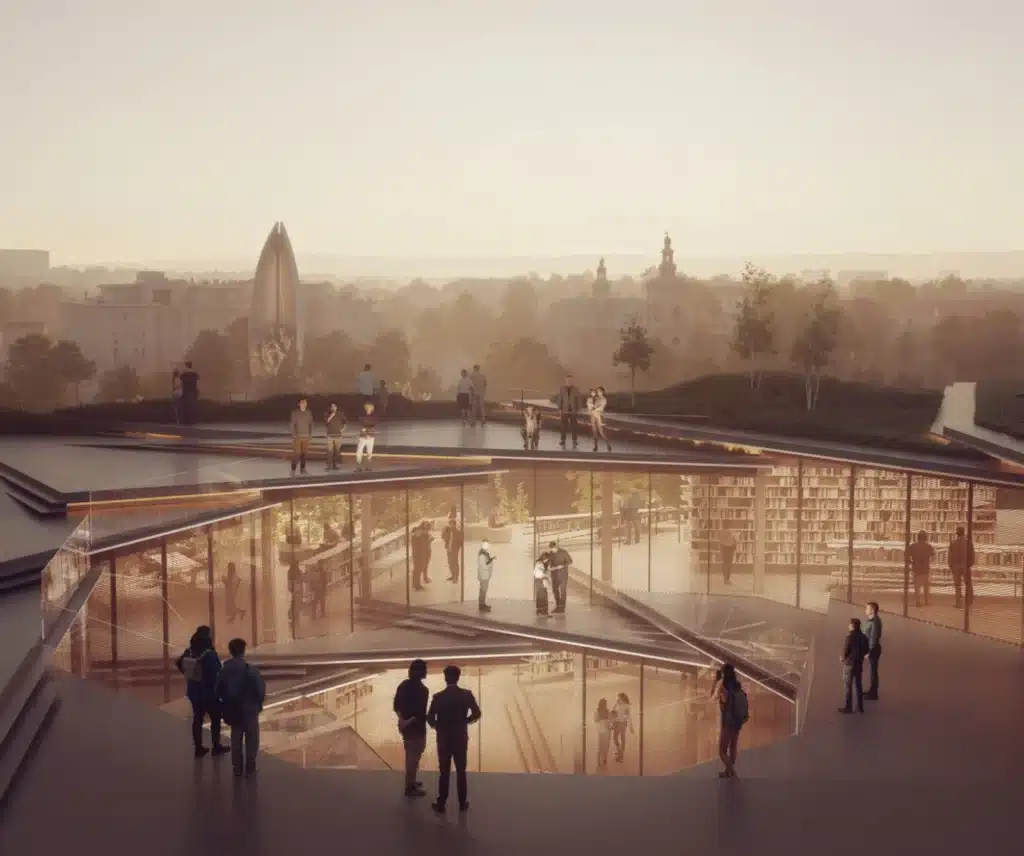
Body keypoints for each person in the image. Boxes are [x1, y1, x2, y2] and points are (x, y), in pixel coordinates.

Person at [426, 665, 481, 813]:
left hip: (444, 739)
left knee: (444, 771)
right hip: (460, 738)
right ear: (458, 677)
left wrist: (438, 727)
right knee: (461, 771)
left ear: (445, 678)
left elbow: (430, 718)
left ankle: (441, 803)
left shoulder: (438, 697)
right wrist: (465, 722)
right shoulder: (467, 695)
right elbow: (477, 713)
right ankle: (462, 803)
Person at [175, 625, 229, 758]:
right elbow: (216, 673)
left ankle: (198, 747)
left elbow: (178, 663)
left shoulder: (189, 651)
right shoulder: (209, 654)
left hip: (194, 691)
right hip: (210, 692)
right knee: (215, 719)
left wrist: (189, 674)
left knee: (197, 719)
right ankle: (216, 746)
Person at [215, 637, 265, 778]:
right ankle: (250, 766)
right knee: (252, 738)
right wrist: (257, 703)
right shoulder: (251, 670)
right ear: (243, 651)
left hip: (233, 709)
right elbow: (260, 690)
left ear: (230, 651)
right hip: (250, 710)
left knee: (236, 738)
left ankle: (237, 767)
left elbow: (218, 690)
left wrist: (226, 701)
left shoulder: (223, 671)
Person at [393, 659, 429, 797]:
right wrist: (408, 722)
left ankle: (412, 781)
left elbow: (396, 705)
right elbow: (420, 713)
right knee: (413, 758)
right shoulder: (423, 690)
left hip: (404, 727)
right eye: (425, 669)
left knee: (410, 755)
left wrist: (402, 720)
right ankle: (410, 787)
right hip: (416, 728)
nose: (426, 672)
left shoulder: (403, 685)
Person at [711, 663, 748, 778]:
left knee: (722, 751)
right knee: (732, 748)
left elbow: (712, 697)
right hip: (737, 722)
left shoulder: (722, 686)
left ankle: (731, 772)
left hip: (728, 722)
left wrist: (716, 680)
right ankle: (728, 771)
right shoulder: (737, 685)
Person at [839, 617, 870, 714]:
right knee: (858, 685)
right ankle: (860, 707)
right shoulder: (864, 637)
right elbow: (866, 650)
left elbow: (846, 650)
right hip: (859, 664)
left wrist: (842, 658)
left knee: (848, 686)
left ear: (852, 626)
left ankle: (848, 707)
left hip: (849, 664)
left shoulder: (849, 637)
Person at [948, 525, 975, 608]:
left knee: (957, 585)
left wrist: (951, 565)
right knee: (968, 583)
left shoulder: (953, 543)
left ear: (957, 533)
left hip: (956, 566)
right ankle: (969, 601)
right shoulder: (968, 542)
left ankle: (958, 602)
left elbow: (950, 556)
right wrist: (970, 564)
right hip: (965, 565)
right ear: (964, 533)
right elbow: (972, 554)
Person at [906, 529, 934, 607]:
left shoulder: (913, 546)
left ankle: (918, 601)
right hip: (925, 569)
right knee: (926, 586)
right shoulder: (928, 546)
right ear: (925, 537)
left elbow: (907, 556)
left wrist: (911, 562)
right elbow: (932, 555)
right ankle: (926, 601)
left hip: (916, 569)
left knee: (917, 587)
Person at [556, 373, 582, 449]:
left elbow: (579, 400)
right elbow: (559, 399)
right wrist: (559, 409)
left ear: (572, 381)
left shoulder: (576, 389)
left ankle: (574, 440)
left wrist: (578, 409)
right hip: (564, 410)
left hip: (573, 411)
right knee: (563, 426)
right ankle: (563, 440)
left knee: (574, 426)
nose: (569, 381)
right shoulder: (562, 389)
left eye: (570, 380)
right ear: (565, 381)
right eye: (568, 380)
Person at [863, 601, 883, 701]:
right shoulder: (872, 620)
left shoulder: (875, 622)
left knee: (873, 672)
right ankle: (872, 691)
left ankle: (874, 694)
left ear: (872, 610)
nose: (865, 610)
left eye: (867, 608)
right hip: (872, 649)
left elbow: (873, 638)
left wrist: (869, 651)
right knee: (872, 671)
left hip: (873, 650)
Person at [546, 540, 572, 614]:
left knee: (563, 591)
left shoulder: (564, 552)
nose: (552, 550)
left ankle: (562, 608)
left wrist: (562, 566)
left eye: (553, 549)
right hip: (554, 575)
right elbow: (549, 563)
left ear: (556, 547)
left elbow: (570, 561)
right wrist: (547, 566)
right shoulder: (551, 553)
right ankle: (558, 607)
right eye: (551, 549)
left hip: (563, 575)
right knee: (555, 590)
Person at [289, 397, 313, 476]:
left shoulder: (309, 413)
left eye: (305, 403)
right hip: (298, 437)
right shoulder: (295, 413)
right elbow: (292, 425)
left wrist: (310, 435)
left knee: (304, 454)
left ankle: (303, 469)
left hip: (306, 437)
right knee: (296, 454)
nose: (304, 404)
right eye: (302, 403)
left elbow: (311, 424)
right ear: (299, 404)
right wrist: (294, 435)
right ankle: (293, 470)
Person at [587, 386, 612, 452]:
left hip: (599, 416)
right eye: (597, 391)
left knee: (601, 432)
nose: (597, 392)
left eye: (599, 391)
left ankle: (608, 444)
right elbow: (590, 404)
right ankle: (595, 446)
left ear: (602, 392)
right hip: (593, 416)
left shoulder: (604, 399)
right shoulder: (595, 398)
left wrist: (595, 408)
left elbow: (601, 408)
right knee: (594, 432)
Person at [612, 692, 634, 762]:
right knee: (615, 738)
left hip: (622, 723)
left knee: (622, 738)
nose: (617, 699)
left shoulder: (626, 706)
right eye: (617, 697)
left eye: (619, 697)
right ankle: (619, 750)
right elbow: (613, 712)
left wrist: (631, 726)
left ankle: (621, 755)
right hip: (617, 722)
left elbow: (628, 716)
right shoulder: (618, 704)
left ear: (622, 698)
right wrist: (615, 704)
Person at [411, 521, 432, 590]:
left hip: (422, 555)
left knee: (418, 570)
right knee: (417, 570)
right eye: (418, 531)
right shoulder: (415, 538)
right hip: (418, 556)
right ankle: (416, 585)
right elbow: (417, 548)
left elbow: (426, 543)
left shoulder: (421, 537)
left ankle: (416, 584)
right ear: (415, 532)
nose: (420, 532)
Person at [442, 513, 463, 583]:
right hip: (448, 549)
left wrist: (457, 548)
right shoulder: (447, 531)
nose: (451, 525)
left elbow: (460, 541)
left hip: (454, 550)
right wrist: (444, 531)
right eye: (450, 524)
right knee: (450, 563)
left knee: (455, 563)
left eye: (452, 524)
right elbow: (443, 537)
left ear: (455, 524)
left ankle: (456, 577)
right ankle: (452, 575)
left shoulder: (458, 532)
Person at [325, 403, 346, 470]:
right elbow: (326, 423)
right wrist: (331, 416)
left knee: (337, 451)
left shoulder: (340, 414)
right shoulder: (327, 414)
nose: (333, 408)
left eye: (334, 407)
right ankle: (329, 466)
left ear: (336, 407)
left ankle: (335, 465)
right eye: (332, 407)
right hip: (330, 436)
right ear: (330, 408)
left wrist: (343, 429)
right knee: (329, 451)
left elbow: (345, 423)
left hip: (338, 436)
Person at [356, 401, 376, 470]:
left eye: (370, 407)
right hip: (363, 438)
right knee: (359, 452)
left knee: (369, 452)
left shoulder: (374, 417)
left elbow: (372, 426)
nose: (369, 408)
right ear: (365, 408)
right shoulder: (362, 417)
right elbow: (362, 427)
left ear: (372, 408)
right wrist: (365, 433)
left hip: (371, 437)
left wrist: (369, 432)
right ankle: (359, 466)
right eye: (367, 407)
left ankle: (368, 466)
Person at [477, 540, 496, 612]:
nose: (487, 546)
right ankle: (481, 605)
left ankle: (482, 604)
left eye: (487, 545)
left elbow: (486, 563)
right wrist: (491, 561)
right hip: (483, 575)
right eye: (486, 545)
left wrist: (491, 559)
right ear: (483, 545)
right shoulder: (482, 555)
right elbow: (484, 566)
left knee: (483, 590)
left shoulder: (484, 554)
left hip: (485, 575)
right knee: (483, 590)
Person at [179, 361, 200, 425]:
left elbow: (181, 384)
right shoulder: (195, 374)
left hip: (186, 392)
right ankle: (193, 420)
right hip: (193, 392)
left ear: (186, 366)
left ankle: (186, 421)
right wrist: (197, 391)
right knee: (193, 407)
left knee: (186, 407)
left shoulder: (183, 375)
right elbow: (198, 384)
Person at [594, 698, 613, 767]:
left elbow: (595, 720)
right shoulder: (607, 711)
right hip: (605, 730)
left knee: (601, 745)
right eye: (605, 703)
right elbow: (610, 720)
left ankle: (600, 760)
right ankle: (604, 759)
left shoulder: (598, 711)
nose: (606, 704)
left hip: (602, 730)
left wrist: (601, 720)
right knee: (605, 745)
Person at [533, 552, 551, 617]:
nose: (547, 560)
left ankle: (539, 611)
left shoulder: (539, 563)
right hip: (541, 580)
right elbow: (540, 574)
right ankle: (544, 612)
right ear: (544, 558)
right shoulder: (540, 564)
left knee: (540, 596)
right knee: (543, 596)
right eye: (547, 559)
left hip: (538, 580)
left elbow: (536, 573)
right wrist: (545, 579)